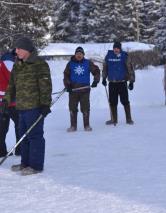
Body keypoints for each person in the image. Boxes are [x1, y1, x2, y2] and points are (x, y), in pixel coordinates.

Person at [5, 37, 52, 175]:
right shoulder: (18, 64)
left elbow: (45, 86)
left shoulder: (39, 64)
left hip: (35, 107)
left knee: (34, 136)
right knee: (23, 135)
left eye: (19, 48)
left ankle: (36, 166)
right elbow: (12, 85)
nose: (16, 51)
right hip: (21, 107)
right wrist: (6, 101)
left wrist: (45, 105)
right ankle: (25, 163)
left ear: (26, 49)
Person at [63, 46, 100, 132]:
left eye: (80, 54)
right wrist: (67, 85)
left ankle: (86, 125)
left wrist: (96, 81)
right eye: (77, 54)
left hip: (85, 90)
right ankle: (73, 126)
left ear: (83, 55)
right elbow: (66, 75)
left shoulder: (88, 63)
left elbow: (96, 71)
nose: (79, 55)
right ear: (75, 54)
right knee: (72, 108)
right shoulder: (70, 64)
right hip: (73, 90)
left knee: (85, 108)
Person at [102, 41, 135, 125]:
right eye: (114, 48)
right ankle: (114, 119)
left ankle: (129, 119)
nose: (116, 50)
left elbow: (130, 69)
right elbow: (105, 67)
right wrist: (104, 78)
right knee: (112, 101)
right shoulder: (108, 56)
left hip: (122, 82)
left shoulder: (125, 56)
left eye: (117, 48)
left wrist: (131, 81)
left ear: (120, 49)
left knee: (125, 101)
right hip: (112, 83)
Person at [0, 50, 20, 157]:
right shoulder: (11, 64)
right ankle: (20, 150)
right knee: (20, 125)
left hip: (1, 103)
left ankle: (1, 151)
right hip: (12, 102)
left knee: (1, 128)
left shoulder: (1, 64)